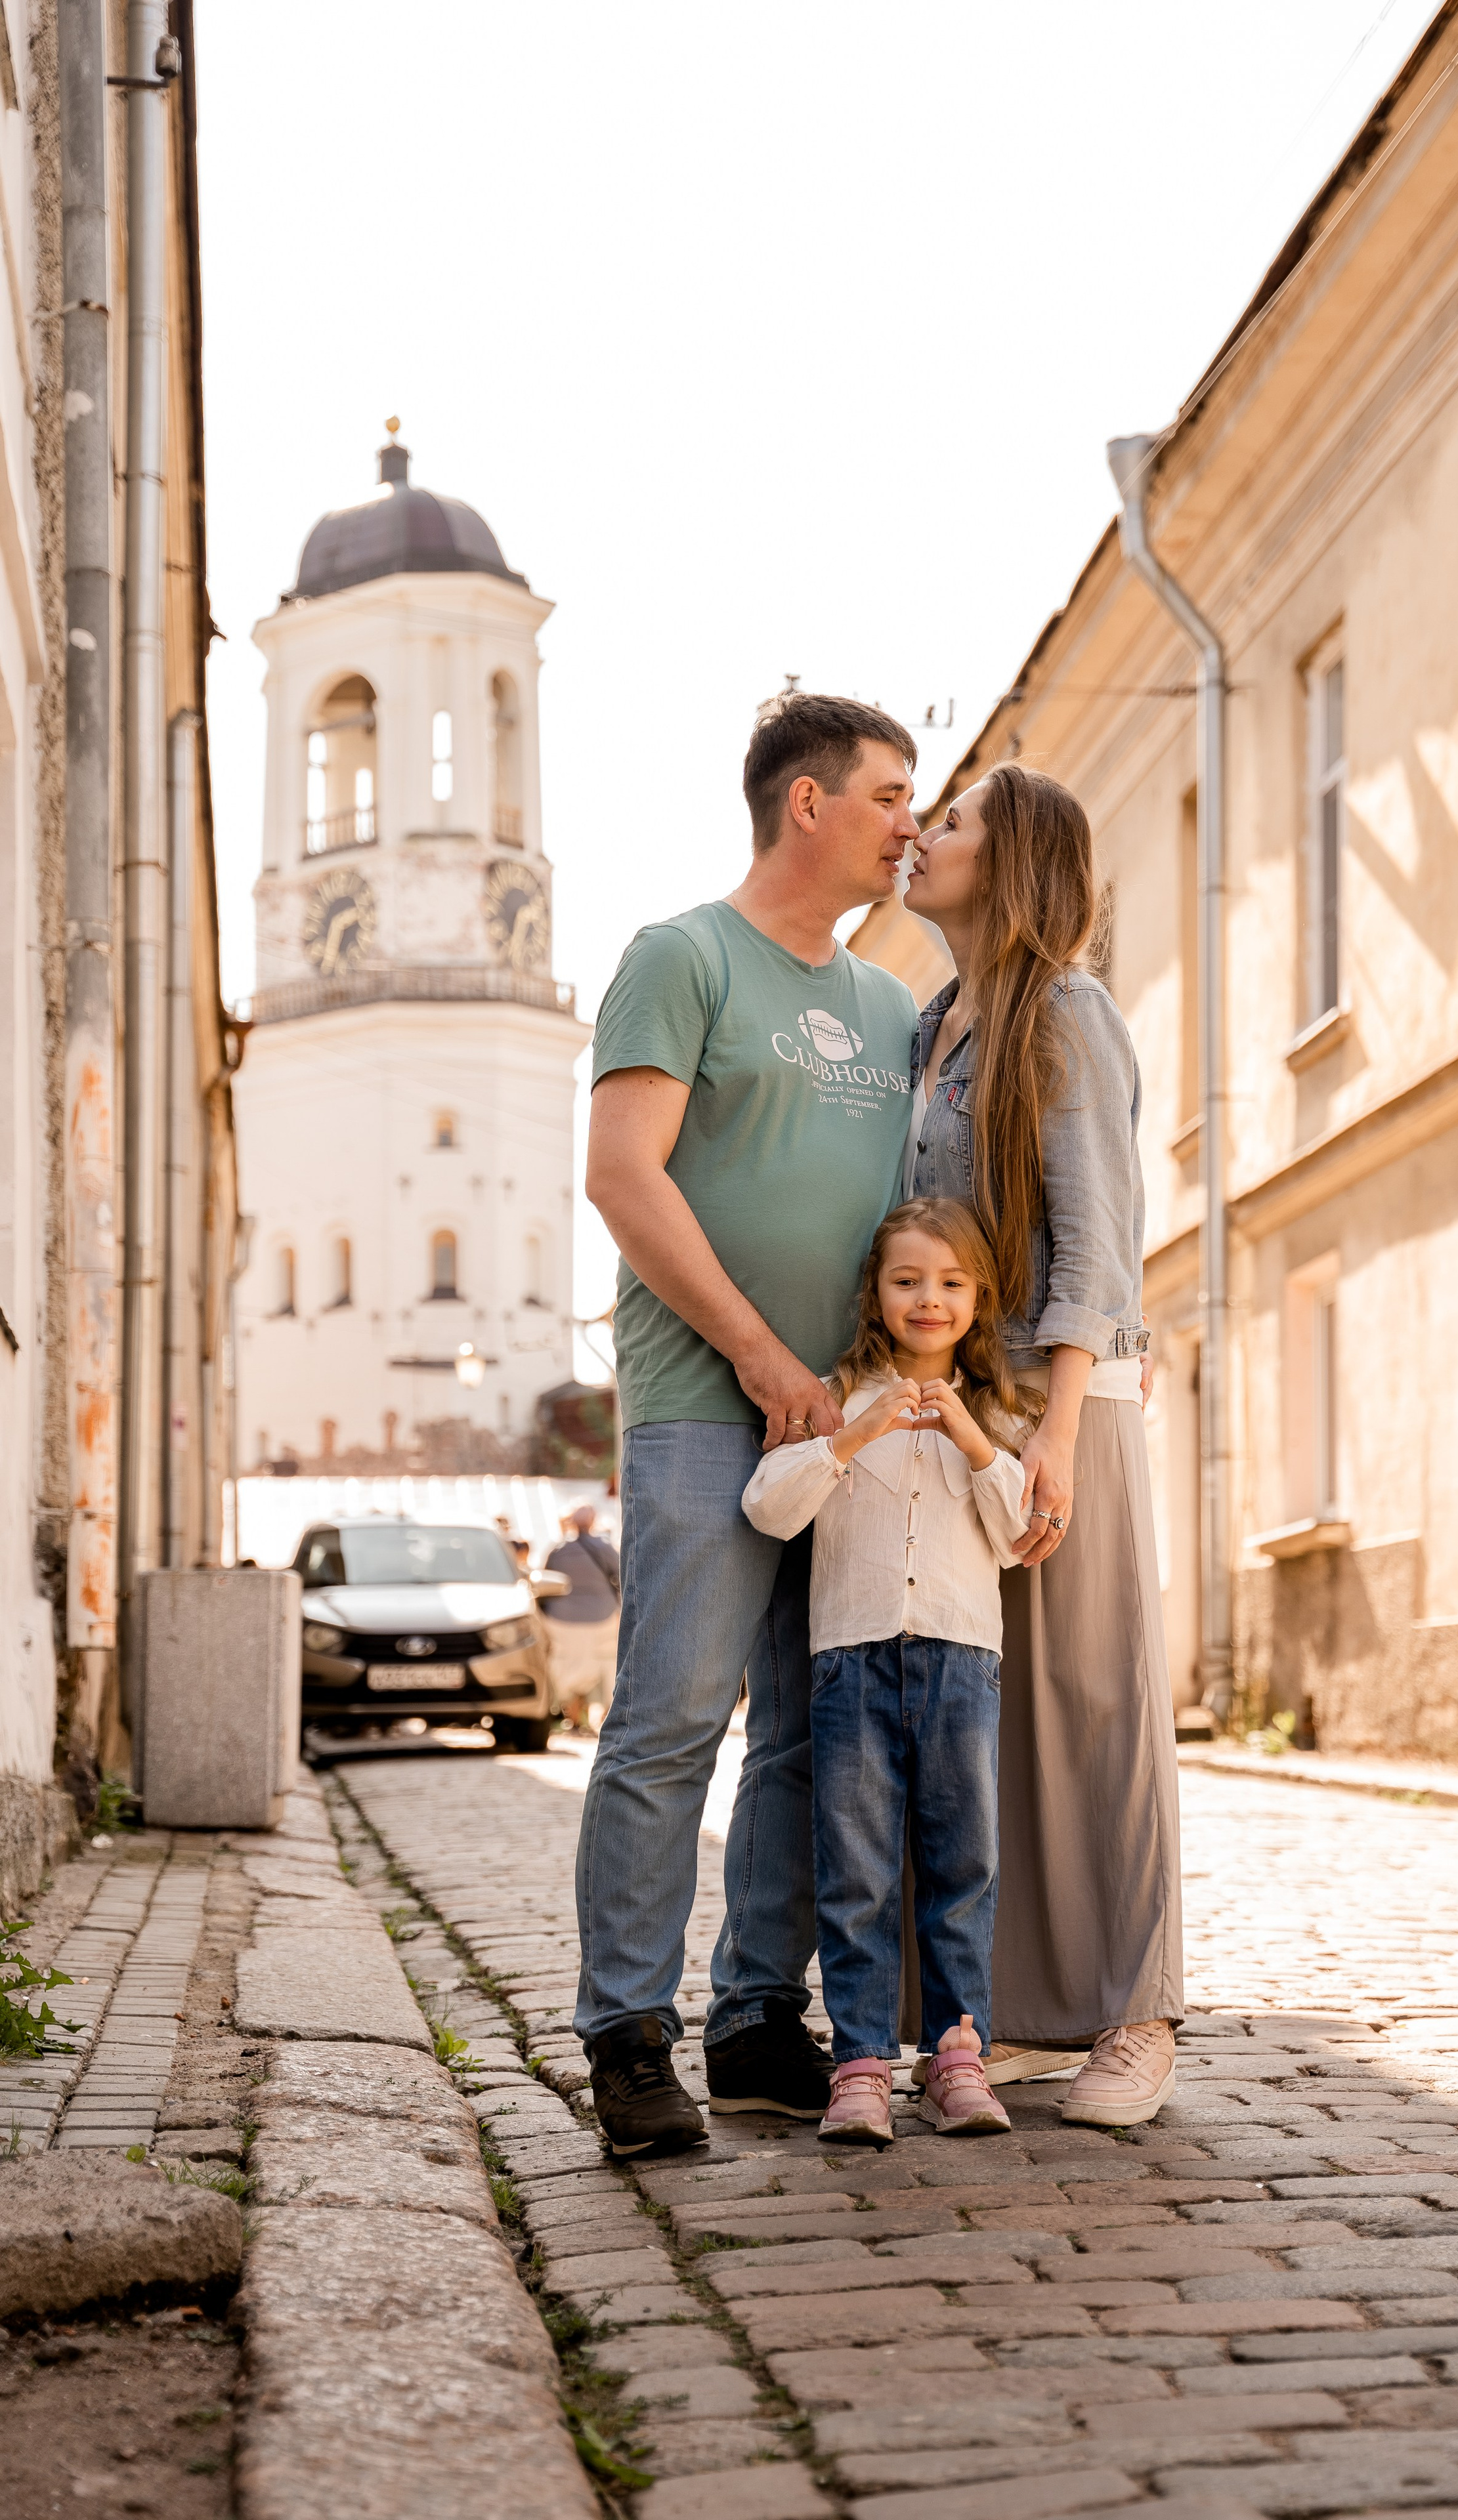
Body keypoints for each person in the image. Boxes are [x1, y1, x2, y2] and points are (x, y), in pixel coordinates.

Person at [576, 692, 922, 2156]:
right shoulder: (683, 958)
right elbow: (622, 1175)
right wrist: (764, 1357)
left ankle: (757, 2020)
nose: (909, 824)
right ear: (807, 802)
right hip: (706, 1413)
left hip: (848, 1433)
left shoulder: (892, 1006)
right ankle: (625, 2035)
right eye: (890, 795)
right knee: (669, 1721)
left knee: (804, 1737)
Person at [901, 760, 1182, 2127]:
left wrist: (1058, 1431)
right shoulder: (929, 1029)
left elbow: (1097, 1237)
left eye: (950, 821)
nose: (921, 834)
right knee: (987, 1717)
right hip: (963, 1407)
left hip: (1065, 1399)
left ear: (1009, 860)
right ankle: (1016, 2011)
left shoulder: (1067, 1012)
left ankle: (1137, 2017)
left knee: (1094, 1702)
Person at [743, 1199, 1031, 2147]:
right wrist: (853, 1435)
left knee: (963, 1866)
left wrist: (973, 1440)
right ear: (875, 1292)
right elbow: (769, 1509)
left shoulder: (998, 1409)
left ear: (978, 1298)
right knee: (855, 1871)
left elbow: (1022, 1537)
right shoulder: (834, 1394)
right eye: (907, 1280)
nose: (928, 1298)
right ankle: (861, 2065)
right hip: (851, 1663)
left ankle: (956, 2059)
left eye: (951, 1282)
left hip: (960, 1662)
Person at [541, 1505, 621, 1731]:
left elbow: (545, 1579)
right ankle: (601, 1718)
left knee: (568, 1665)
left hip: (561, 1620)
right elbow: (622, 1576)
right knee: (602, 1665)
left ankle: (573, 1718)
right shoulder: (605, 1547)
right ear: (593, 1521)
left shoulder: (558, 1550)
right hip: (602, 1618)